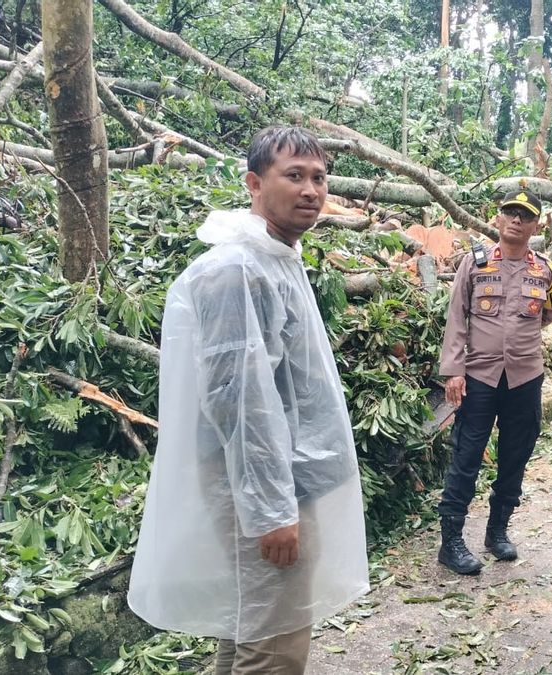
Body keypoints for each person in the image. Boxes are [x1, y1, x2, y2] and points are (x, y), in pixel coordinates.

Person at [128, 126, 369, 675]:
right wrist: (271, 510)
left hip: (277, 476)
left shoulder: (274, 257)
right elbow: (239, 398)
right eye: (294, 176)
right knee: (276, 639)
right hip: (259, 484)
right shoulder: (236, 269)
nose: (311, 190)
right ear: (254, 183)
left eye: (319, 177)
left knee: (252, 622)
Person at [436, 190, 552, 574]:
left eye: (524, 215)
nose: (516, 220)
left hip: (525, 377)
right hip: (478, 376)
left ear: (536, 225)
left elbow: (550, 312)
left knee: (515, 456)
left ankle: (497, 532)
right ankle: (451, 541)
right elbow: (457, 318)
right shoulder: (474, 264)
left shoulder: (545, 270)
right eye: (509, 212)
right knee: (467, 456)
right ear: (496, 218)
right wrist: (454, 371)